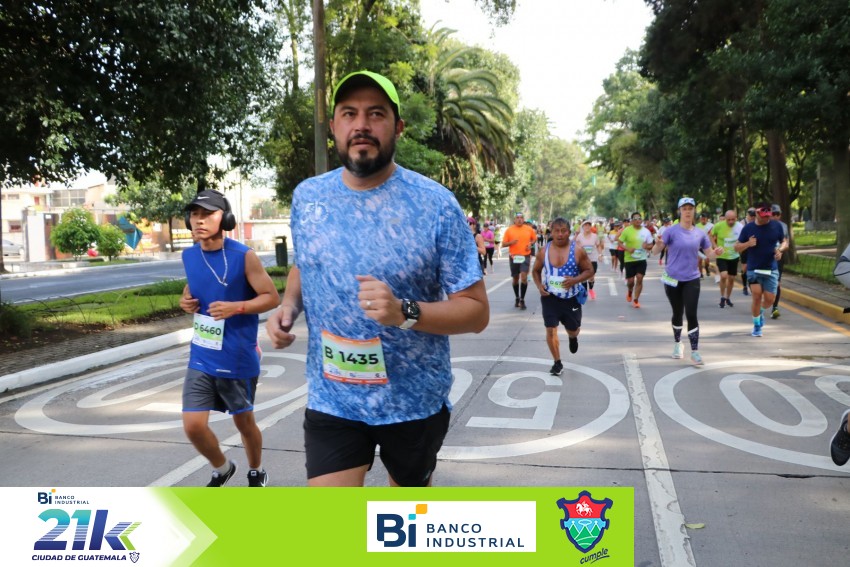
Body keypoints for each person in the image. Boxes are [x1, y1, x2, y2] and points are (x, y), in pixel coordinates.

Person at [265, 70, 488, 487]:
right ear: (334, 127)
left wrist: (404, 312)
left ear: (398, 127)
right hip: (333, 399)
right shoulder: (308, 197)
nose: (362, 124)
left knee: (400, 520)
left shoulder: (436, 205)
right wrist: (288, 306)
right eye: (349, 113)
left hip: (413, 402)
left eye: (376, 114)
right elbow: (306, 264)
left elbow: (476, 312)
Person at [179, 189, 280, 487]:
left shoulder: (243, 256)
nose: (199, 221)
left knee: (243, 422)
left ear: (225, 219)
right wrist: (185, 301)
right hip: (201, 353)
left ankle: (256, 469)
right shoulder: (189, 255)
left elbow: (271, 297)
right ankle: (222, 468)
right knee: (193, 426)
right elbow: (194, 286)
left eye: (207, 214)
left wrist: (238, 307)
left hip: (236, 354)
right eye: (194, 215)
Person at [652, 197, 722, 365]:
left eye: (690, 208)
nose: (688, 211)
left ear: (694, 211)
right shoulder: (671, 231)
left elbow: (709, 254)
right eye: (684, 209)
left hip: (692, 278)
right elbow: (655, 251)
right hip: (672, 278)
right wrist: (658, 244)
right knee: (677, 313)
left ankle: (695, 351)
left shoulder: (700, 233)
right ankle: (678, 343)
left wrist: (716, 253)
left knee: (691, 313)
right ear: (680, 211)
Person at [531, 217, 593, 376]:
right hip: (550, 297)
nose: (560, 234)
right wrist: (539, 286)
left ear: (569, 232)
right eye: (556, 231)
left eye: (563, 231)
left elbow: (589, 270)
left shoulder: (577, 250)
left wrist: (575, 280)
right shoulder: (543, 251)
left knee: (573, 330)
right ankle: (557, 362)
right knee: (550, 329)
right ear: (551, 232)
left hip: (571, 298)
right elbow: (535, 271)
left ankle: (572, 338)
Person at [734, 201, 788, 337]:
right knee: (757, 296)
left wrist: (780, 250)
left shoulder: (776, 226)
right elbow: (736, 247)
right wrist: (748, 243)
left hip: (771, 268)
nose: (767, 218)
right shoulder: (748, 228)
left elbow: (784, 242)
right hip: (754, 269)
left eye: (768, 216)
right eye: (764, 216)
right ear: (757, 214)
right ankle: (757, 325)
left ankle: (761, 311)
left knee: (770, 299)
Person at [501, 212, 538, 309]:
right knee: (515, 279)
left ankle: (522, 299)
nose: (519, 219)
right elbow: (503, 244)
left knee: (524, 277)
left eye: (521, 218)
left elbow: (534, 239)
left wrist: (531, 244)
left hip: (525, 256)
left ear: (523, 219)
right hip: (514, 257)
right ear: (514, 219)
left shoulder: (529, 229)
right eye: (517, 218)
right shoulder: (509, 230)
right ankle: (517, 297)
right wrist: (511, 242)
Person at [619, 212, 654, 308]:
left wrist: (647, 246)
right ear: (632, 221)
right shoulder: (627, 230)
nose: (638, 220)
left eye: (639, 218)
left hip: (642, 259)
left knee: (639, 278)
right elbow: (620, 242)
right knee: (630, 281)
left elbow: (651, 245)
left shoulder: (646, 231)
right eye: (635, 218)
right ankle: (630, 291)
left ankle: (636, 300)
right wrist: (628, 249)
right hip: (629, 259)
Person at [711, 210, 743, 308]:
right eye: (728, 220)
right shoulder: (718, 225)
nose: (731, 222)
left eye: (733, 219)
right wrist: (715, 247)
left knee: (732, 279)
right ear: (725, 219)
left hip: (734, 256)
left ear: (736, 218)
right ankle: (722, 297)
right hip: (722, 256)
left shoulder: (740, 227)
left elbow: (743, 239)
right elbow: (711, 236)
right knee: (724, 275)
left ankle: (728, 298)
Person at [574, 219, 603, 300]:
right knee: (583, 277)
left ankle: (591, 289)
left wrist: (600, 255)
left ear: (590, 227)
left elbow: (598, 246)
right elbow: (574, 245)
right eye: (585, 225)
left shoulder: (594, 236)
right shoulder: (579, 236)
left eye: (589, 225)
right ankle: (585, 292)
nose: (587, 227)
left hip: (593, 259)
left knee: (591, 277)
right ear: (582, 227)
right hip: (582, 260)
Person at [769, 204, 790, 319]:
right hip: (764, 258)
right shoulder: (763, 225)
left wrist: (780, 251)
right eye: (773, 214)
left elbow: (786, 243)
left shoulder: (784, 226)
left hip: (778, 258)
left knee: (777, 283)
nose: (775, 216)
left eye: (778, 214)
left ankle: (775, 307)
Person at [739, 208, 756, 296]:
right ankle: (744, 286)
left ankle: (752, 285)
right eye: (751, 215)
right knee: (745, 268)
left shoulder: (758, 222)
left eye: (754, 215)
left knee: (753, 268)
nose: (752, 217)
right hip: (745, 247)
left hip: (755, 248)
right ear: (747, 215)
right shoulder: (742, 223)